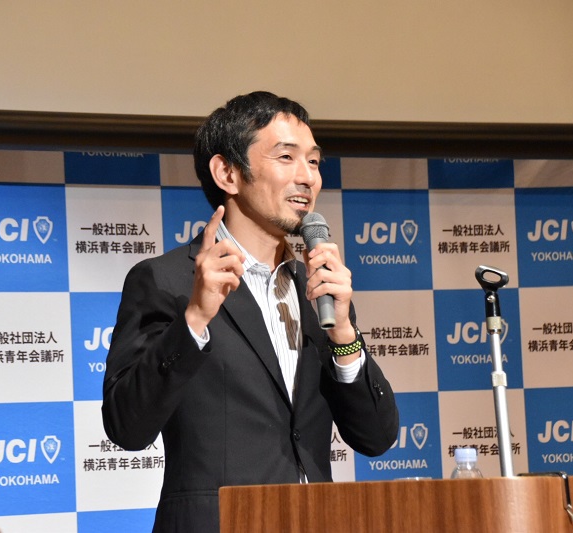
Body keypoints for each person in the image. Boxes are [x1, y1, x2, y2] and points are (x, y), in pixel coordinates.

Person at [102, 91, 398, 532]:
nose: (307, 178)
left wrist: (344, 335)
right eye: (287, 157)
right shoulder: (167, 281)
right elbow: (126, 427)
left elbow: (376, 437)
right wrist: (194, 320)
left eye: (314, 161)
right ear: (227, 172)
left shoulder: (317, 289)